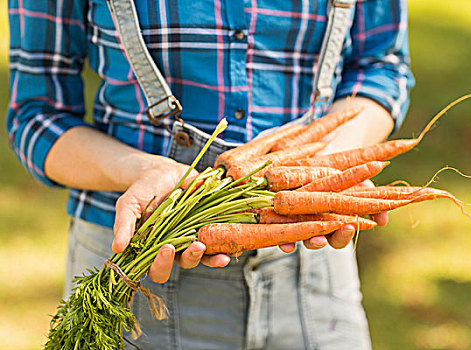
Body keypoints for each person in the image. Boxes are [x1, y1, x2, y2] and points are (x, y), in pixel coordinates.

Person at [7, 0, 414, 348]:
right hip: (135, 272)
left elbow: (381, 65)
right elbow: (36, 114)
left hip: (314, 270)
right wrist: (143, 169)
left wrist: (322, 168)